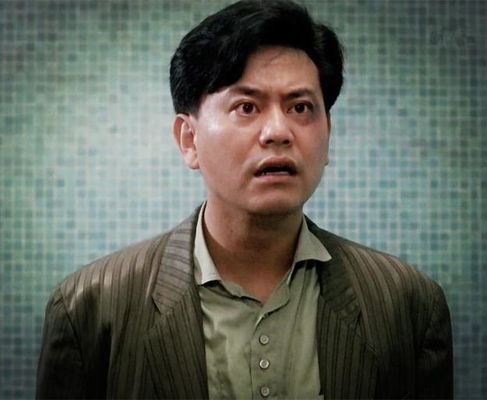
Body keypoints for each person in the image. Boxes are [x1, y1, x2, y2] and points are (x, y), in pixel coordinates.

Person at [36, 0, 453, 398]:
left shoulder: (407, 305)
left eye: (301, 108)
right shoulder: (91, 310)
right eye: (247, 107)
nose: (278, 132)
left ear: (327, 134)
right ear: (189, 139)